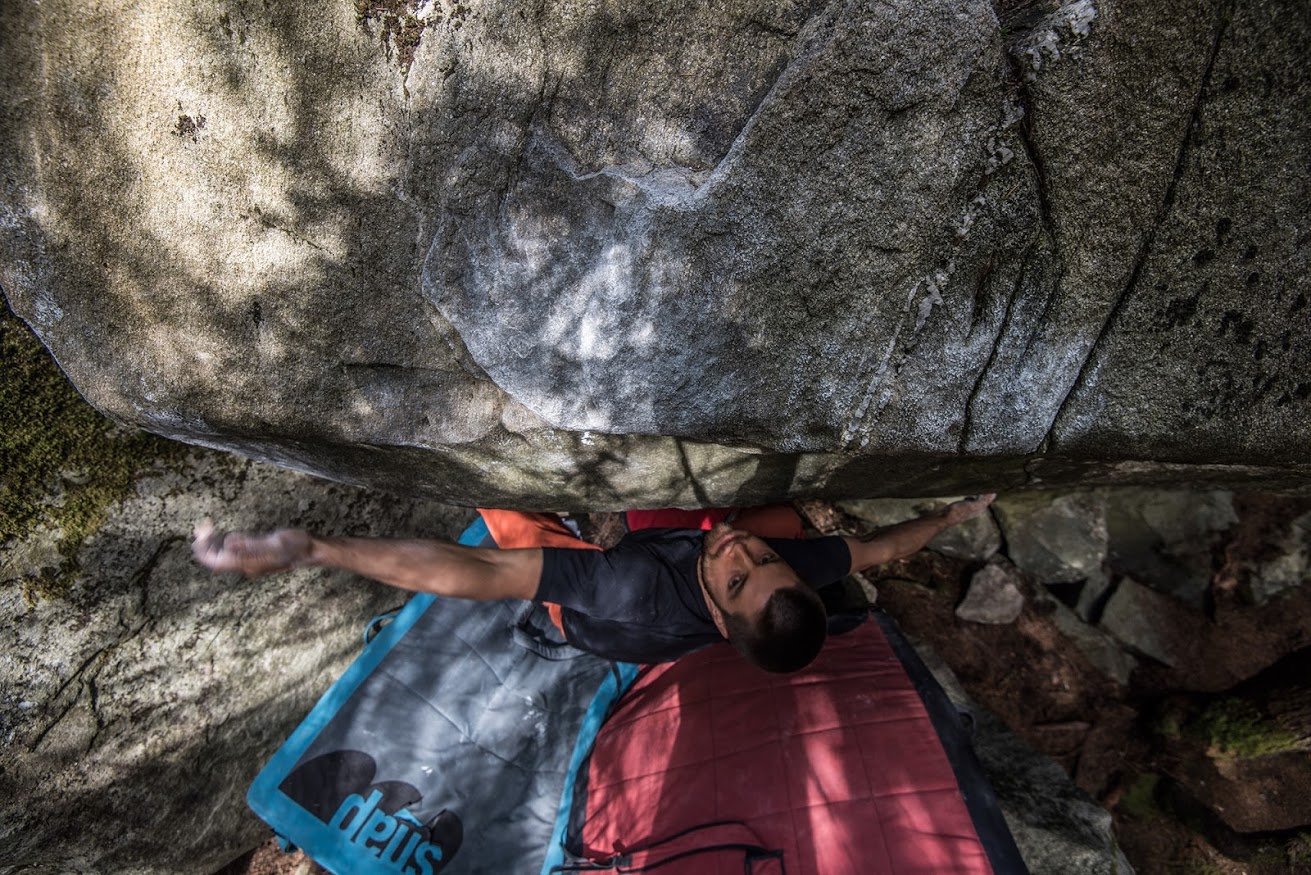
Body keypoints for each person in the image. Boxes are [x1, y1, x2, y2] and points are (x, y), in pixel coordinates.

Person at [192, 495, 995, 673]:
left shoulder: (632, 590)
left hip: (590, 622)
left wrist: (323, 550)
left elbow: (477, 571)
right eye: (765, 562)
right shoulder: (795, 577)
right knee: (783, 519)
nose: (742, 550)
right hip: (658, 586)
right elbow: (883, 547)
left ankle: (559, 567)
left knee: (504, 508)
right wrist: (952, 516)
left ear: (721, 618)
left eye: (737, 573)